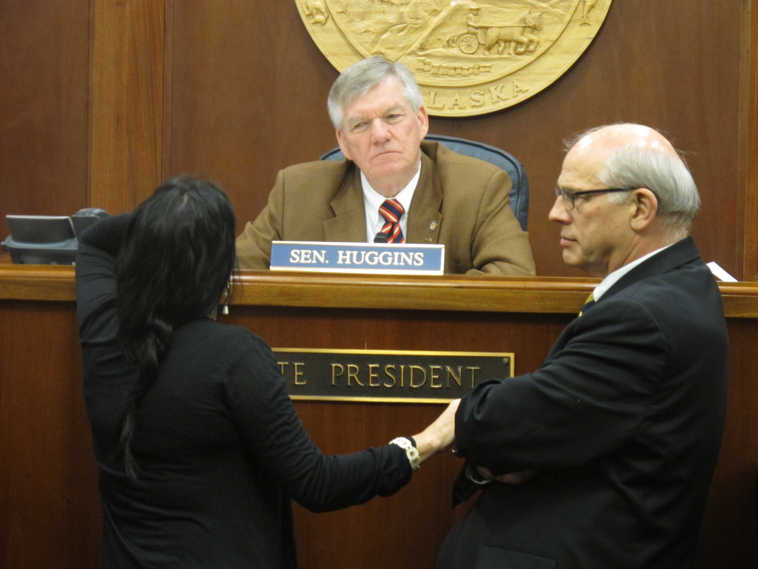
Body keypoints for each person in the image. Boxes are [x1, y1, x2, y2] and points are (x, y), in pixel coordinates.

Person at [74, 176, 458, 569]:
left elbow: (93, 241)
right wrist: (427, 441)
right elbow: (317, 484)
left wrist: (167, 221)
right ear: (219, 270)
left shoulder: (104, 336)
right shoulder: (233, 357)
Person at [437, 124, 728, 569]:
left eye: (576, 197)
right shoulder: (676, 284)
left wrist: (470, 425)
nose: (555, 213)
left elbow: (499, 421)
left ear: (640, 208)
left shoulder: (642, 317)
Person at [235, 56, 536, 275]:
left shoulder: (478, 187)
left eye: (392, 117)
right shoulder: (298, 193)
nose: (379, 135)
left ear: (421, 122)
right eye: (360, 125)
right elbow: (233, 273)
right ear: (343, 143)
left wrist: (413, 300)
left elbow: (515, 278)